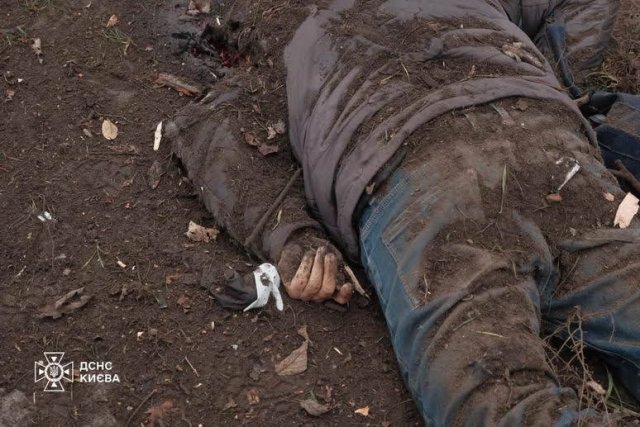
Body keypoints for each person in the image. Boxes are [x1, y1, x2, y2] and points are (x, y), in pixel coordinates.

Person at [167, 0, 640, 424]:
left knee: (490, 400)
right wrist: (542, 74)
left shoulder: (280, 22)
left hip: (419, 174)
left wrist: (291, 239)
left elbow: (210, 130)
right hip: (550, 145)